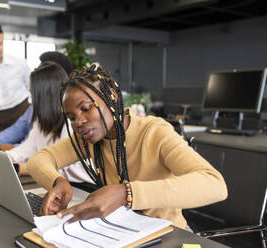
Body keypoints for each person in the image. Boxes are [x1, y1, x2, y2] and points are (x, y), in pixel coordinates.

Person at [26, 64, 228, 228]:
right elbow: (40, 160)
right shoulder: (88, 138)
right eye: (71, 118)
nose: (78, 122)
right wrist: (58, 182)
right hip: (121, 232)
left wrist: (126, 193)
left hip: (169, 234)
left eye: (86, 109)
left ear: (112, 97)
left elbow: (215, 185)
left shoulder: (154, 132)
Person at [0, 51, 74, 160]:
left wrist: (14, 151)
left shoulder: (69, 126)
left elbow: (49, 160)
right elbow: (21, 137)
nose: (32, 100)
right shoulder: (38, 121)